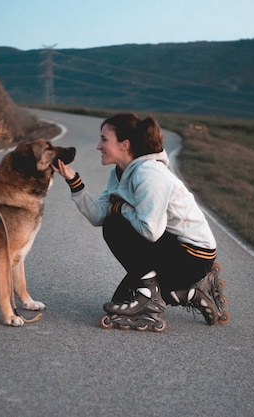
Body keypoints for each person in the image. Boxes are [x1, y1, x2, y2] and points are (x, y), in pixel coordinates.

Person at [53, 113, 229, 331]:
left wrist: (121, 208)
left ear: (124, 144)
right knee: (120, 300)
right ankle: (194, 292)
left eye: (104, 139)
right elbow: (98, 214)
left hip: (193, 255)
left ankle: (152, 296)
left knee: (115, 222)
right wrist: (74, 182)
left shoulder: (149, 174)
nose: (98, 146)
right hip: (173, 250)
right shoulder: (120, 174)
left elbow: (150, 231)